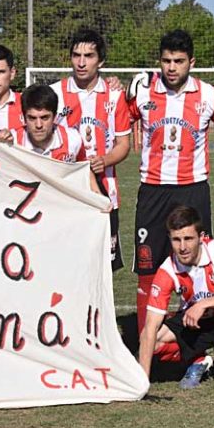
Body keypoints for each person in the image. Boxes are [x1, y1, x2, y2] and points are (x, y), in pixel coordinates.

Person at [126, 29, 214, 333]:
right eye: (166, 61)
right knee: (148, 269)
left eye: (179, 61)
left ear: (192, 62)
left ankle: (198, 347)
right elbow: (119, 117)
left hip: (193, 191)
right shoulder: (145, 94)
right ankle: (145, 340)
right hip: (153, 192)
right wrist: (119, 90)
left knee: (199, 268)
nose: (171, 67)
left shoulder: (209, 95)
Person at [139, 205, 214, 398]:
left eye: (188, 239)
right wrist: (141, 382)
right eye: (176, 239)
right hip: (195, 322)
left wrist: (203, 304)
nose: (182, 247)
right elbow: (150, 326)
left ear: (201, 237)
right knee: (152, 341)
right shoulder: (167, 270)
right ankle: (199, 360)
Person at [50, 29, 131, 270]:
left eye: (89, 56)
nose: (81, 62)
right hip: (66, 191)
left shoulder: (115, 95)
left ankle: (101, 310)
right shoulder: (55, 93)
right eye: (76, 55)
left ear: (101, 61)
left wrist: (105, 160)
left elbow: (123, 143)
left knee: (105, 264)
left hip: (105, 190)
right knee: (66, 259)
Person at [0, 83, 84, 163]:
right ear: (23, 117)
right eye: (32, 118)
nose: (38, 125)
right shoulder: (11, 142)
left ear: (54, 117)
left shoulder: (73, 139)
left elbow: (85, 172)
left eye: (44, 118)